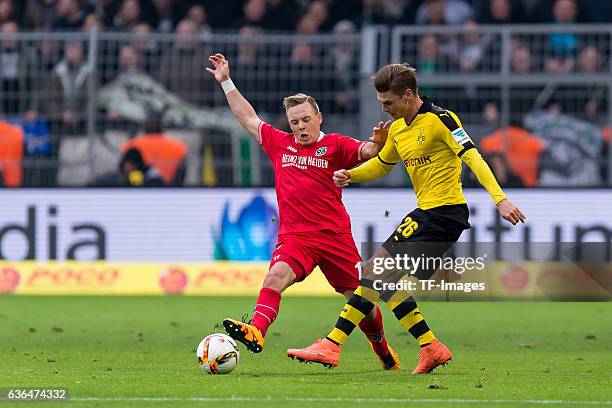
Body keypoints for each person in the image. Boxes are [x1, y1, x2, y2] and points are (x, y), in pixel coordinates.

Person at [288, 63, 526, 374]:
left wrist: (501, 199)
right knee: (385, 281)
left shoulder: (441, 119)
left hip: (445, 212)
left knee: (376, 270)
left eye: (388, 102)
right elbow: (383, 165)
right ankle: (431, 347)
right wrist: (352, 175)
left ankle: (332, 344)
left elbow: (473, 157)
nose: (384, 109)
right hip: (427, 212)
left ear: (409, 94)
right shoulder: (399, 129)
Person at [207, 53, 420, 370]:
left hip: (335, 238)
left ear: (319, 117)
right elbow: (247, 118)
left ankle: (382, 348)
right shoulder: (280, 144)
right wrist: (226, 82)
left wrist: (378, 142)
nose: (301, 126)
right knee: (275, 276)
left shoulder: (335, 145)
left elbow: (367, 152)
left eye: (306, 120)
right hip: (296, 237)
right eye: (295, 122)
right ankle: (257, 331)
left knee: (360, 300)